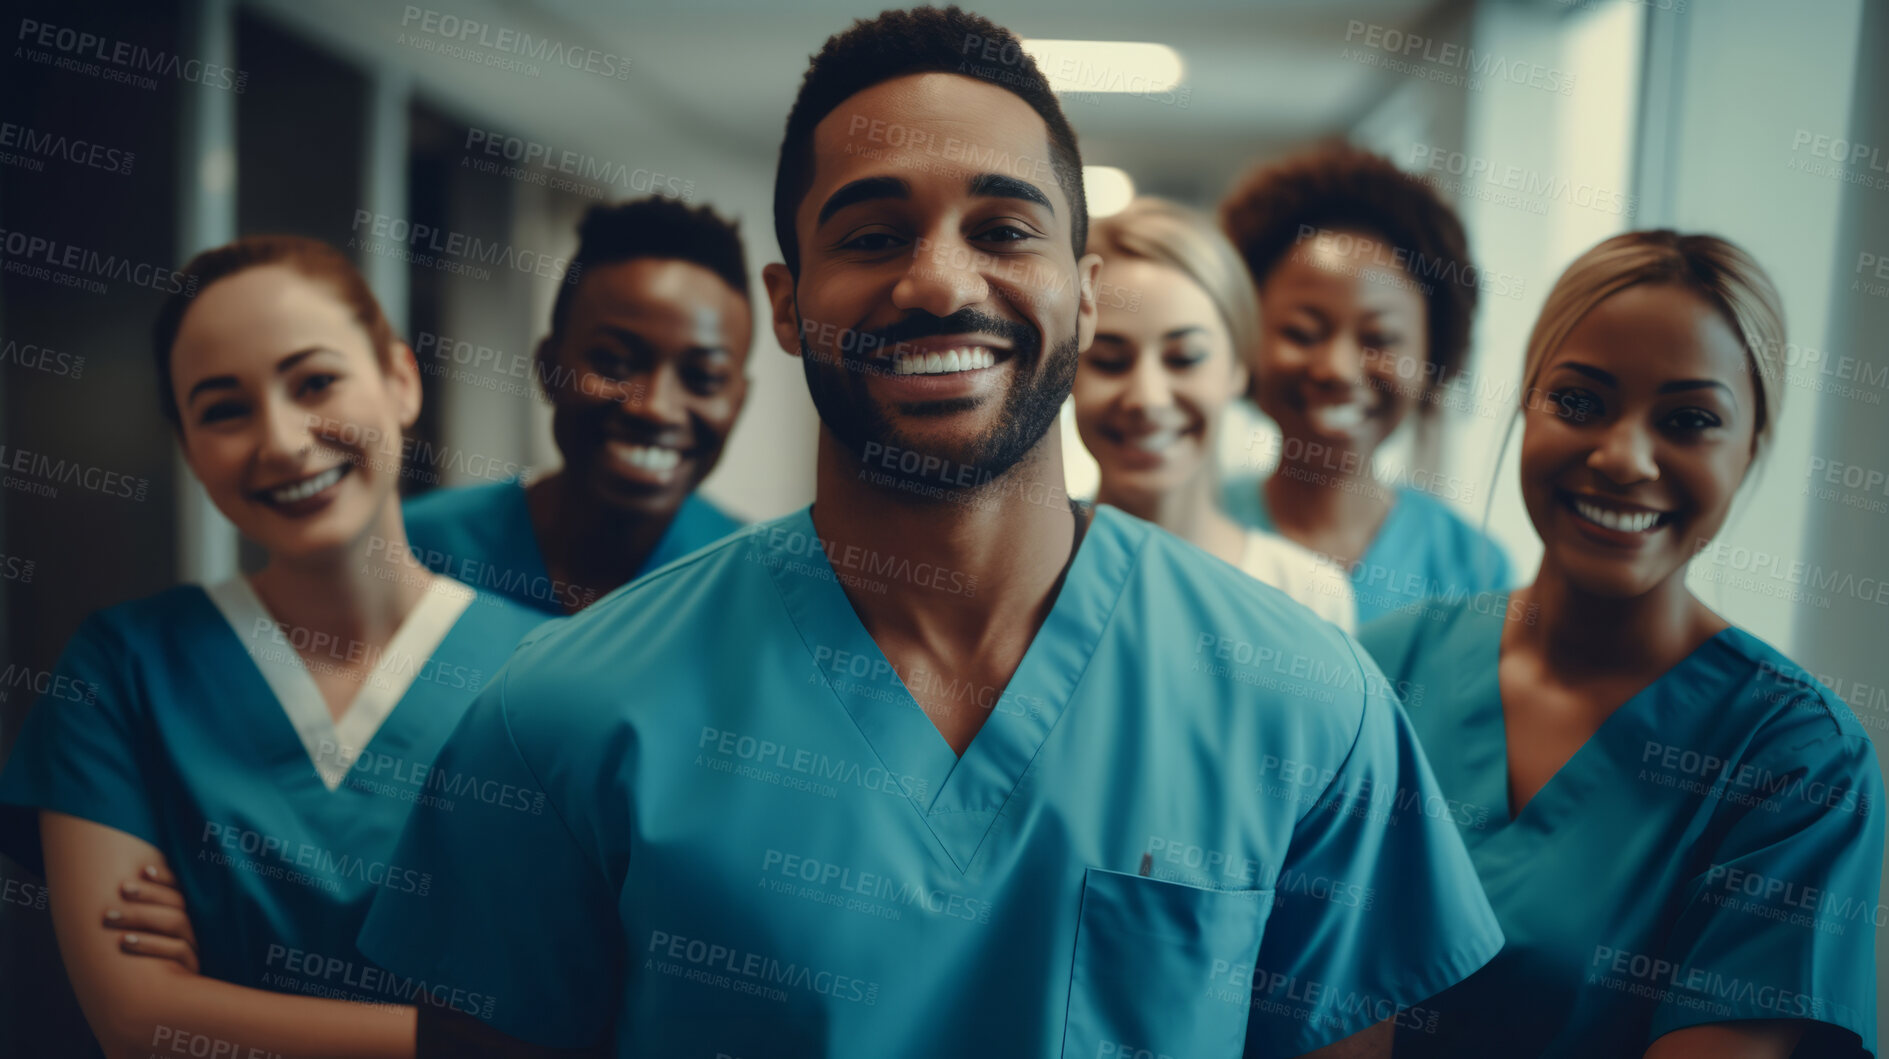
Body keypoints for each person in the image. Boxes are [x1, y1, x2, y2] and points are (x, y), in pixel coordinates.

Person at [358, 9, 1502, 1058]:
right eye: (869, 235)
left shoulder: (1304, 707)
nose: (938, 283)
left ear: (1085, 290)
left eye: (1003, 227)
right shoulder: (559, 714)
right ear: (788, 302)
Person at [0, 236, 546, 1058]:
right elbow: (139, 1022)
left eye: (315, 380)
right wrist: (482, 1041)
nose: (284, 440)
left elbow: (601, 987)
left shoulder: (554, 671)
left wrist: (215, 1000)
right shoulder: (120, 670)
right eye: (223, 408)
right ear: (188, 448)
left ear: (400, 379)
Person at [1360, 231, 1882, 1056]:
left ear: (1750, 448)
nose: (1622, 457)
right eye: (1577, 401)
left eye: (1688, 419)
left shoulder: (1795, 761)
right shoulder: (1381, 671)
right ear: (1524, 404)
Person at [403, 197, 752, 614]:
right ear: (549, 367)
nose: (655, 408)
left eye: (703, 378)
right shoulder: (417, 548)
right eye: (614, 363)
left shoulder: (755, 585)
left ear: (738, 401)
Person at [1220, 143, 1510, 625]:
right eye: (1302, 333)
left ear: (1433, 354)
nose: (1337, 368)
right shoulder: (1191, 524)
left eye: (1379, 339)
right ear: (1245, 335)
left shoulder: (1472, 569)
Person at [1074, 196, 1356, 630]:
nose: (1147, 398)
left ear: (1239, 366)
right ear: (1065, 374)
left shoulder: (1308, 594)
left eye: (1185, 358)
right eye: (1109, 361)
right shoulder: (1019, 582)